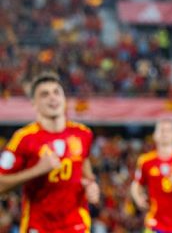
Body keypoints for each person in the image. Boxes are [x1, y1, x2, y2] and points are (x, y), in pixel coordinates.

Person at [0, 72, 100, 232]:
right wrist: (37, 170)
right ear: (34, 103)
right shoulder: (23, 139)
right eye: (44, 94)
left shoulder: (83, 134)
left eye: (56, 92)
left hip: (77, 226)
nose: (52, 98)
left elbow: (86, 173)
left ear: (64, 98)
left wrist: (91, 186)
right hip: (39, 227)